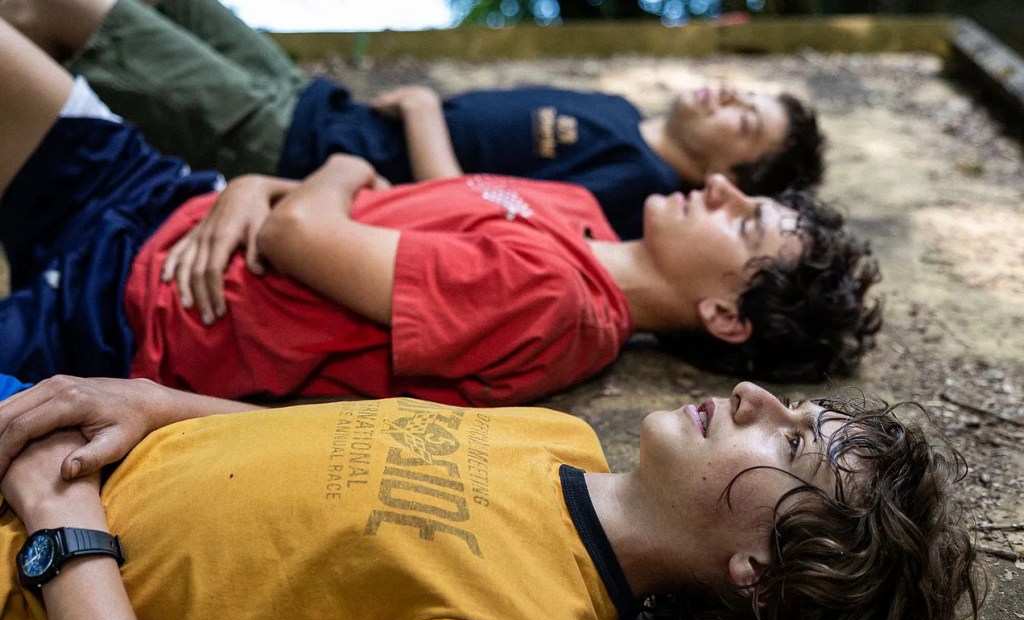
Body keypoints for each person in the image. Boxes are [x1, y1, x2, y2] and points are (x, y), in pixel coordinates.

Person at [0, 18, 880, 405]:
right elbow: (361, 208)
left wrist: (331, 169)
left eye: (746, 221)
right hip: (157, 201)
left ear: (723, 314)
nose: (722, 190)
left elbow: (301, 232)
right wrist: (250, 186)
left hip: (127, 314)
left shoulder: (555, 303)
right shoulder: (575, 212)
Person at [0, 373, 983, 620]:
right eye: (797, 406)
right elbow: (310, 438)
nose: (755, 395)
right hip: (58, 447)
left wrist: (62, 531)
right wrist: (148, 401)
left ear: (759, 575)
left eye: (793, 444)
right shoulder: (554, 435)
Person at [0, 0, 826, 239]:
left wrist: (426, 111)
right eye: (742, 90)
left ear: (730, 177)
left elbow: (469, 216)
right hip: (309, 100)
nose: (728, 97)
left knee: (67, 14)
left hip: (288, 142)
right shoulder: (616, 111)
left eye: (747, 122)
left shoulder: (635, 188)